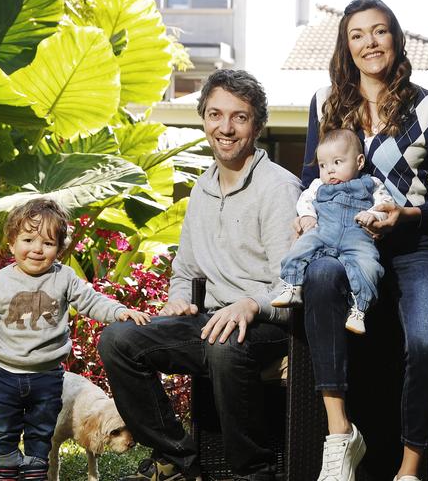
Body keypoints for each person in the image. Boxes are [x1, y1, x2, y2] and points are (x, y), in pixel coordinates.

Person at [98, 69, 302, 481]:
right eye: (215, 114)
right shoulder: (200, 192)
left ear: (257, 125)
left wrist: (249, 305)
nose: (225, 128)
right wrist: (178, 298)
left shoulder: (278, 188)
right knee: (119, 339)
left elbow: (294, 287)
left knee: (225, 343)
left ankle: (253, 472)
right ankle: (178, 460)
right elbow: (185, 270)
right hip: (211, 321)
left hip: (271, 322)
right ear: (204, 119)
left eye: (239, 117)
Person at [297, 0, 428, 481]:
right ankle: (339, 435)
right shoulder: (325, 102)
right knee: (321, 277)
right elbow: (314, 177)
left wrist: (407, 214)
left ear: (396, 38)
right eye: (357, 35)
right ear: (345, 46)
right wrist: (306, 218)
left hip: (410, 249)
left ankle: (409, 469)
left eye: (379, 32)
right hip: (341, 243)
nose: (369, 43)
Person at [0, 198, 150, 481]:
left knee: (41, 432)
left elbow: (90, 301)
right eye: (28, 240)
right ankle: (6, 473)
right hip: (6, 376)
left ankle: (37, 475)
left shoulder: (64, 278)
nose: (37, 249)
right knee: (5, 431)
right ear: (11, 243)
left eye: (48, 244)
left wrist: (118, 311)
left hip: (48, 378)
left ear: (59, 250)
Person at [271, 128, 393, 334]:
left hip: (358, 237)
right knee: (301, 246)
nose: (329, 170)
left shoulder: (371, 183)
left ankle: (358, 310)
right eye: (322, 165)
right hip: (325, 231)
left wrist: (373, 215)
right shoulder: (318, 185)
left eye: (337, 162)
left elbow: (386, 206)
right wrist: (308, 216)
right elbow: (305, 200)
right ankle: (291, 285)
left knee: (369, 266)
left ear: (359, 161)